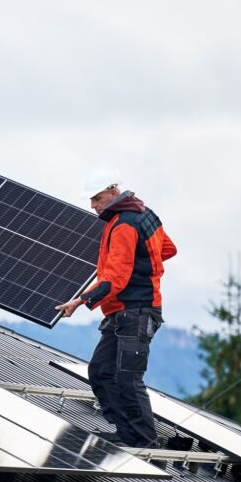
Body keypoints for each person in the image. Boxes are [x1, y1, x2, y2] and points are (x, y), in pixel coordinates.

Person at [55, 168, 177, 450]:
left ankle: (145, 444)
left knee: (128, 379)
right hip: (123, 311)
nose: (93, 205)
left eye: (97, 199)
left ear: (113, 193)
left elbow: (115, 280)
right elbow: (168, 249)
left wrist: (81, 300)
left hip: (136, 312)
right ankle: (127, 433)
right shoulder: (145, 214)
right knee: (100, 371)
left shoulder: (123, 224)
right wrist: (142, 262)